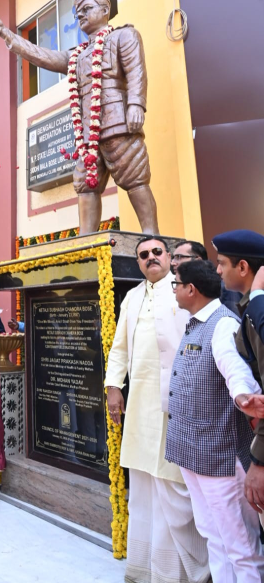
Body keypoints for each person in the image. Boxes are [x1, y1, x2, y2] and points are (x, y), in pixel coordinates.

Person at [0, 0, 158, 235]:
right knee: (85, 185)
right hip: (87, 136)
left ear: (105, 10)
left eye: (87, 9)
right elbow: (42, 56)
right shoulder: (77, 56)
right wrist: (5, 33)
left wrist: (136, 104)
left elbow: (136, 71)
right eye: (77, 12)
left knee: (134, 178)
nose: (80, 15)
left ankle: (151, 236)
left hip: (119, 123)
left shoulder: (124, 36)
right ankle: (86, 242)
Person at [105, 236, 208, 583]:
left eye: (157, 252)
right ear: (138, 262)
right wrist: (113, 387)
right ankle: (144, 568)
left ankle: (186, 571)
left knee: (174, 485)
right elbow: (120, 348)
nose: (151, 258)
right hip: (140, 405)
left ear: (169, 257)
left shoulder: (185, 292)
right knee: (143, 485)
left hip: (178, 403)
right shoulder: (132, 297)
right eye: (143, 254)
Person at [165, 260, 264, 580]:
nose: (174, 291)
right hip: (193, 452)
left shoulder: (222, 324)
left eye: (176, 284)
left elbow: (235, 370)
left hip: (220, 455)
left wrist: (243, 396)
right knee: (214, 538)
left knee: (241, 547)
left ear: (191, 289)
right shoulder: (196, 322)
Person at [214, 229, 264, 524]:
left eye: (222, 263)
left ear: (243, 267)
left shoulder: (258, 312)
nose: (218, 271)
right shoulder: (251, 308)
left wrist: (259, 462)